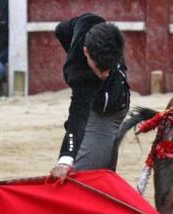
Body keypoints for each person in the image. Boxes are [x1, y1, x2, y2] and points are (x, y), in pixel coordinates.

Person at [50, 13, 130, 183]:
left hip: (111, 110)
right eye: (100, 69)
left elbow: (61, 29)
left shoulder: (100, 27)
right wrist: (65, 159)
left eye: (109, 68)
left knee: (89, 180)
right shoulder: (80, 75)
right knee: (88, 178)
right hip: (96, 111)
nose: (105, 74)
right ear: (86, 52)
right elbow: (77, 118)